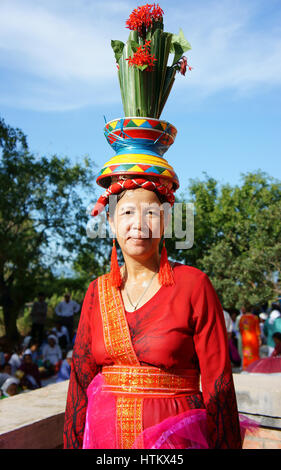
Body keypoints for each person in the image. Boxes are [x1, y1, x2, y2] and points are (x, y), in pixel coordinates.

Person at [63, 4, 256, 450]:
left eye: (151, 212)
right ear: (110, 222)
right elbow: (78, 381)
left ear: (167, 220)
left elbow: (220, 385)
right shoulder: (97, 293)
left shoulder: (193, 286)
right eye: (127, 212)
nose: (139, 225)